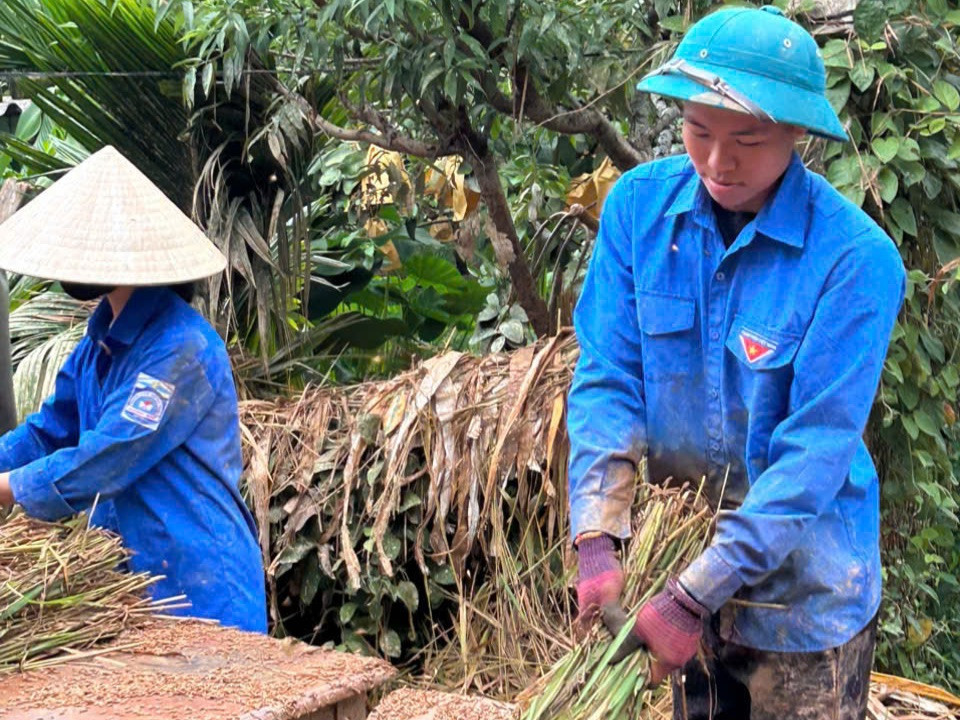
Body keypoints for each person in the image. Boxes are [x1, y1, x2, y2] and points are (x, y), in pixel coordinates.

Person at [567, 6, 905, 719]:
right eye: (698, 132)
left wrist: (696, 592)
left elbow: (813, 454)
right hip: (674, 592)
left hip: (800, 605)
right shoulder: (637, 211)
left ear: (798, 133)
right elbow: (608, 377)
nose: (719, 161)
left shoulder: (855, 261)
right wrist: (596, 534)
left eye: (747, 140)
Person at [0, 146, 267, 633]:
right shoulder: (100, 341)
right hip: (133, 588)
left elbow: (110, 456)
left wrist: (11, 487)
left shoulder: (181, 349)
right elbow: (47, 433)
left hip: (201, 591)